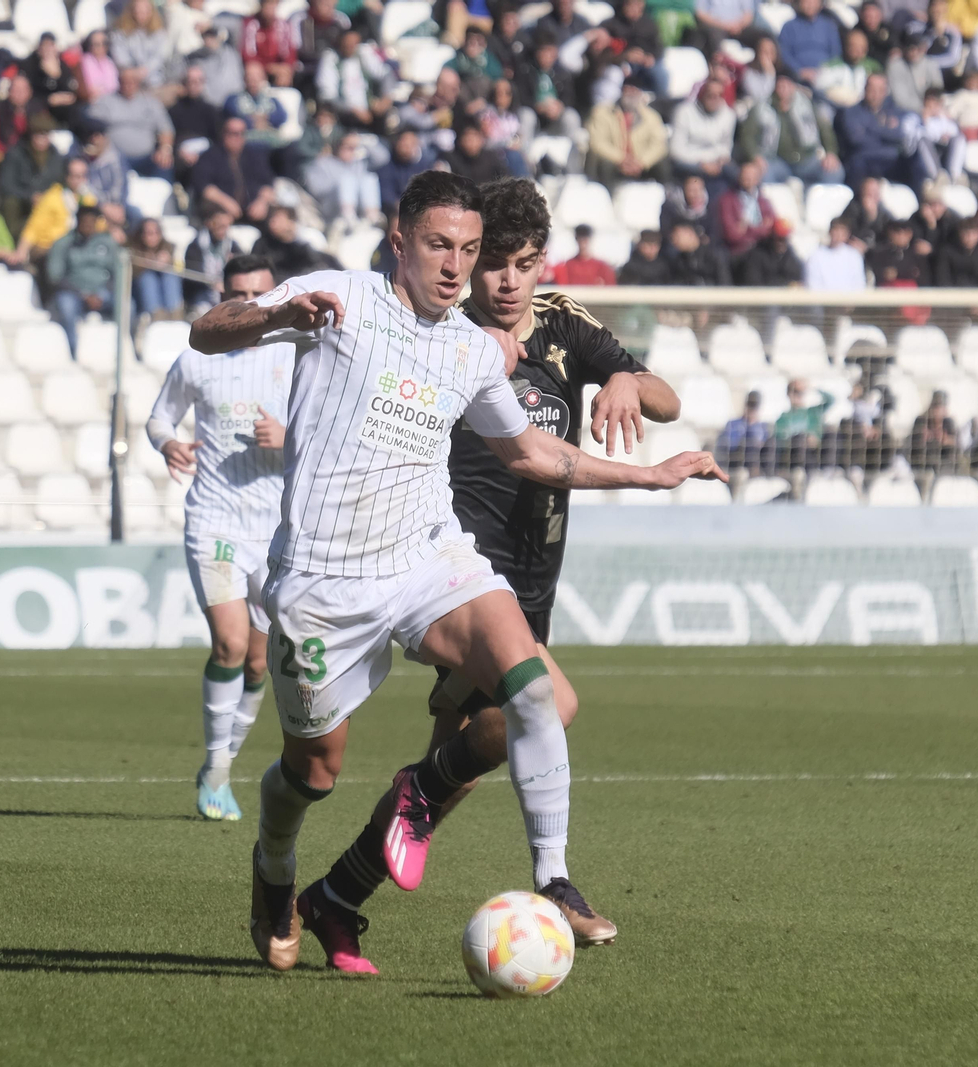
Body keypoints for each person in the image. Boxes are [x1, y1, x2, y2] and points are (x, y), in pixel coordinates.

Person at [185, 170, 722, 974]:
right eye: (442, 245)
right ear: (399, 237)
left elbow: (533, 452)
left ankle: (555, 879)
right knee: (313, 771)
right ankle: (276, 867)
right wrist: (271, 313)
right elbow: (207, 332)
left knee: (536, 691)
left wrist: (650, 475)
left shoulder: (471, 348)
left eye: (469, 251)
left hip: (428, 558)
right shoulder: (339, 298)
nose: (457, 266)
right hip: (324, 583)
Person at [307, 176, 677, 965]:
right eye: (492, 264)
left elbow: (665, 399)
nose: (507, 281)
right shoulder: (447, 330)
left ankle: (335, 897)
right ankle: (554, 882)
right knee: (545, 707)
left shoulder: (564, 325)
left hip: (534, 576)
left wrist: (623, 378)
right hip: (457, 577)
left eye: (524, 263)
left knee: (457, 771)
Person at [146, 255, 287, 821]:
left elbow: (335, 433)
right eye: (236, 294)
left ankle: (221, 766)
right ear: (221, 298)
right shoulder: (197, 360)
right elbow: (160, 419)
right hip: (215, 520)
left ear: (274, 296)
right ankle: (217, 770)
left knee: (259, 663)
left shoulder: (299, 357)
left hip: (276, 528)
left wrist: (289, 436)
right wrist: (168, 445)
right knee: (230, 645)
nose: (246, 305)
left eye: (257, 294)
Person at [737, 71, 844, 186]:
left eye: (787, 86)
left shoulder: (806, 104)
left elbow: (824, 128)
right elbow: (747, 135)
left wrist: (831, 152)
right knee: (761, 175)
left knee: (835, 172)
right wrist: (755, 156)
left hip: (807, 159)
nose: (783, 89)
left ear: (794, 87)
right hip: (776, 160)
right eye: (780, 86)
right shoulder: (761, 108)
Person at [47, 203, 121, 353]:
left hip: (102, 294)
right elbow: (55, 276)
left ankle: (121, 350)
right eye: (84, 221)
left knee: (127, 306)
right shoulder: (64, 243)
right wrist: (83, 295)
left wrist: (102, 293)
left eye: (91, 221)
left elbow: (119, 274)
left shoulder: (107, 243)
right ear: (77, 221)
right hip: (74, 294)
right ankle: (73, 351)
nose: (88, 225)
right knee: (66, 306)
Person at [585, 74, 670, 189]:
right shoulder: (602, 112)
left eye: (634, 90)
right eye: (627, 89)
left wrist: (642, 162)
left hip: (639, 163)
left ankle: (667, 198)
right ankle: (609, 201)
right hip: (615, 161)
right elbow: (597, 143)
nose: (630, 93)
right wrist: (621, 158)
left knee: (663, 163)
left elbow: (659, 145)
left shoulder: (651, 117)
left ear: (640, 93)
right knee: (605, 165)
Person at [89, 65, 175, 180]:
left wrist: (165, 149)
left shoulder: (151, 102)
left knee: (164, 163)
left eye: (132, 81)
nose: (128, 85)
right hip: (115, 158)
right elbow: (92, 127)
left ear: (138, 82)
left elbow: (166, 129)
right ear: (119, 81)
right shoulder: (105, 102)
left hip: (147, 158)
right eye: (125, 81)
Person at [189, 115, 276, 224]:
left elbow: (267, 182)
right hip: (221, 209)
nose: (237, 137)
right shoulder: (209, 156)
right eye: (233, 133)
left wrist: (262, 202)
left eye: (241, 133)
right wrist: (227, 202)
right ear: (224, 134)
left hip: (252, 211)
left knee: (277, 215)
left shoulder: (253, 156)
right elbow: (204, 187)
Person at [668, 76, 736, 195]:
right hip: (689, 162)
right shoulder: (684, 112)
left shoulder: (729, 115)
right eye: (710, 95)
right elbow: (676, 151)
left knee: (736, 174)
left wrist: (717, 161)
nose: (715, 99)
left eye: (719, 95)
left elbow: (725, 147)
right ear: (702, 95)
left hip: (715, 163)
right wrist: (702, 164)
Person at [184, 207, 241, 312]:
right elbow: (192, 274)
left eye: (225, 226)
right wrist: (212, 282)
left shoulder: (232, 246)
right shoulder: (195, 246)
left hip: (226, 292)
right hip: (202, 293)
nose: (222, 230)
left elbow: (242, 268)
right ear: (209, 223)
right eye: (219, 225)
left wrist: (233, 264)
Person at [717, 156, 775, 257]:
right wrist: (760, 227)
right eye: (745, 175)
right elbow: (732, 235)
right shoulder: (727, 200)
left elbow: (772, 227)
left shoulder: (763, 201)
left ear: (757, 179)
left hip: (762, 249)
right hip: (739, 251)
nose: (747, 178)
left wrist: (747, 227)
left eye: (751, 176)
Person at [779, 0, 843, 86]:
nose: (809, 5)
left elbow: (835, 53)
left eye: (813, 2)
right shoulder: (788, 27)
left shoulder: (829, 26)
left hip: (825, 77)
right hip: (796, 78)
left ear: (820, 4)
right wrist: (799, 71)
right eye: (806, 2)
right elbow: (784, 54)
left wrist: (823, 72)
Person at [804, 217, 866, 292]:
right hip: (823, 302)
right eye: (836, 230)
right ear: (830, 232)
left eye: (842, 231)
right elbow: (813, 285)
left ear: (847, 234)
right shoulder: (816, 256)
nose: (838, 234)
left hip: (849, 302)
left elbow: (859, 285)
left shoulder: (854, 256)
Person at [715, 390, 771, 473]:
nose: (752, 409)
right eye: (750, 404)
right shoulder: (733, 424)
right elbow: (728, 444)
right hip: (736, 459)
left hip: (755, 460)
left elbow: (764, 445)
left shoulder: (763, 427)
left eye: (754, 406)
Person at [935, 215, 978, 285]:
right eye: (966, 234)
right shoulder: (946, 253)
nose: (970, 238)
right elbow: (943, 280)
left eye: (973, 234)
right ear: (960, 233)